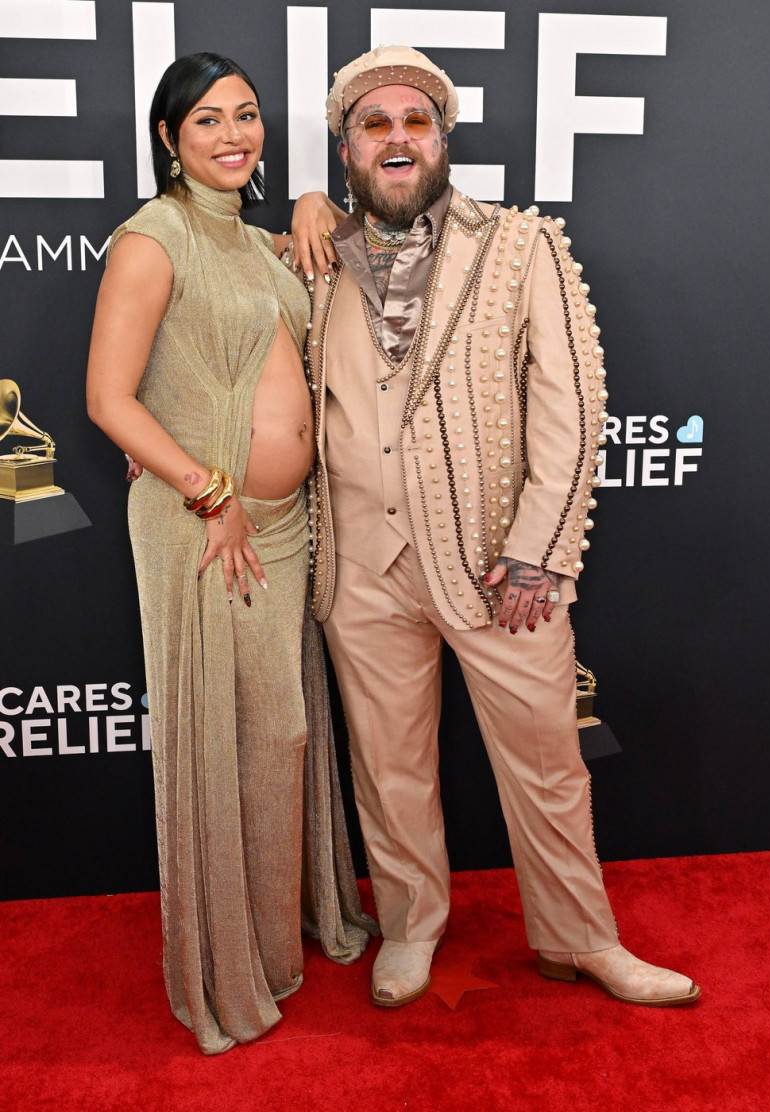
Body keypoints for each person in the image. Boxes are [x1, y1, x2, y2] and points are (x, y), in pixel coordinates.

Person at [292, 44, 700, 1009]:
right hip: (360, 563)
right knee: (388, 770)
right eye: (373, 125)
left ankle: (580, 939)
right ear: (346, 150)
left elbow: (572, 405)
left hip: (493, 566)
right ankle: (411, 928)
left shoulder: (522, 245)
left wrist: (538, 555)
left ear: (443, 138)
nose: (397, 139)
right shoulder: (311, 256)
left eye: (414, 122)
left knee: (549, 764)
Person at [86, 52, 374, 1055]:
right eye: (206, 120)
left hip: (288, 525)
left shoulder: (262, 243)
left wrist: (305, 197)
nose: (231, 135)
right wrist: (211, 495)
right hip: (205, 525)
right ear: (169, 137)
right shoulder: (151, 240)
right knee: (232, 735)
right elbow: (107, 400)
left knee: (282, 733)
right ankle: (229, 962)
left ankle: (275, 928)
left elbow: (346, 247)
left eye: (246, 117)